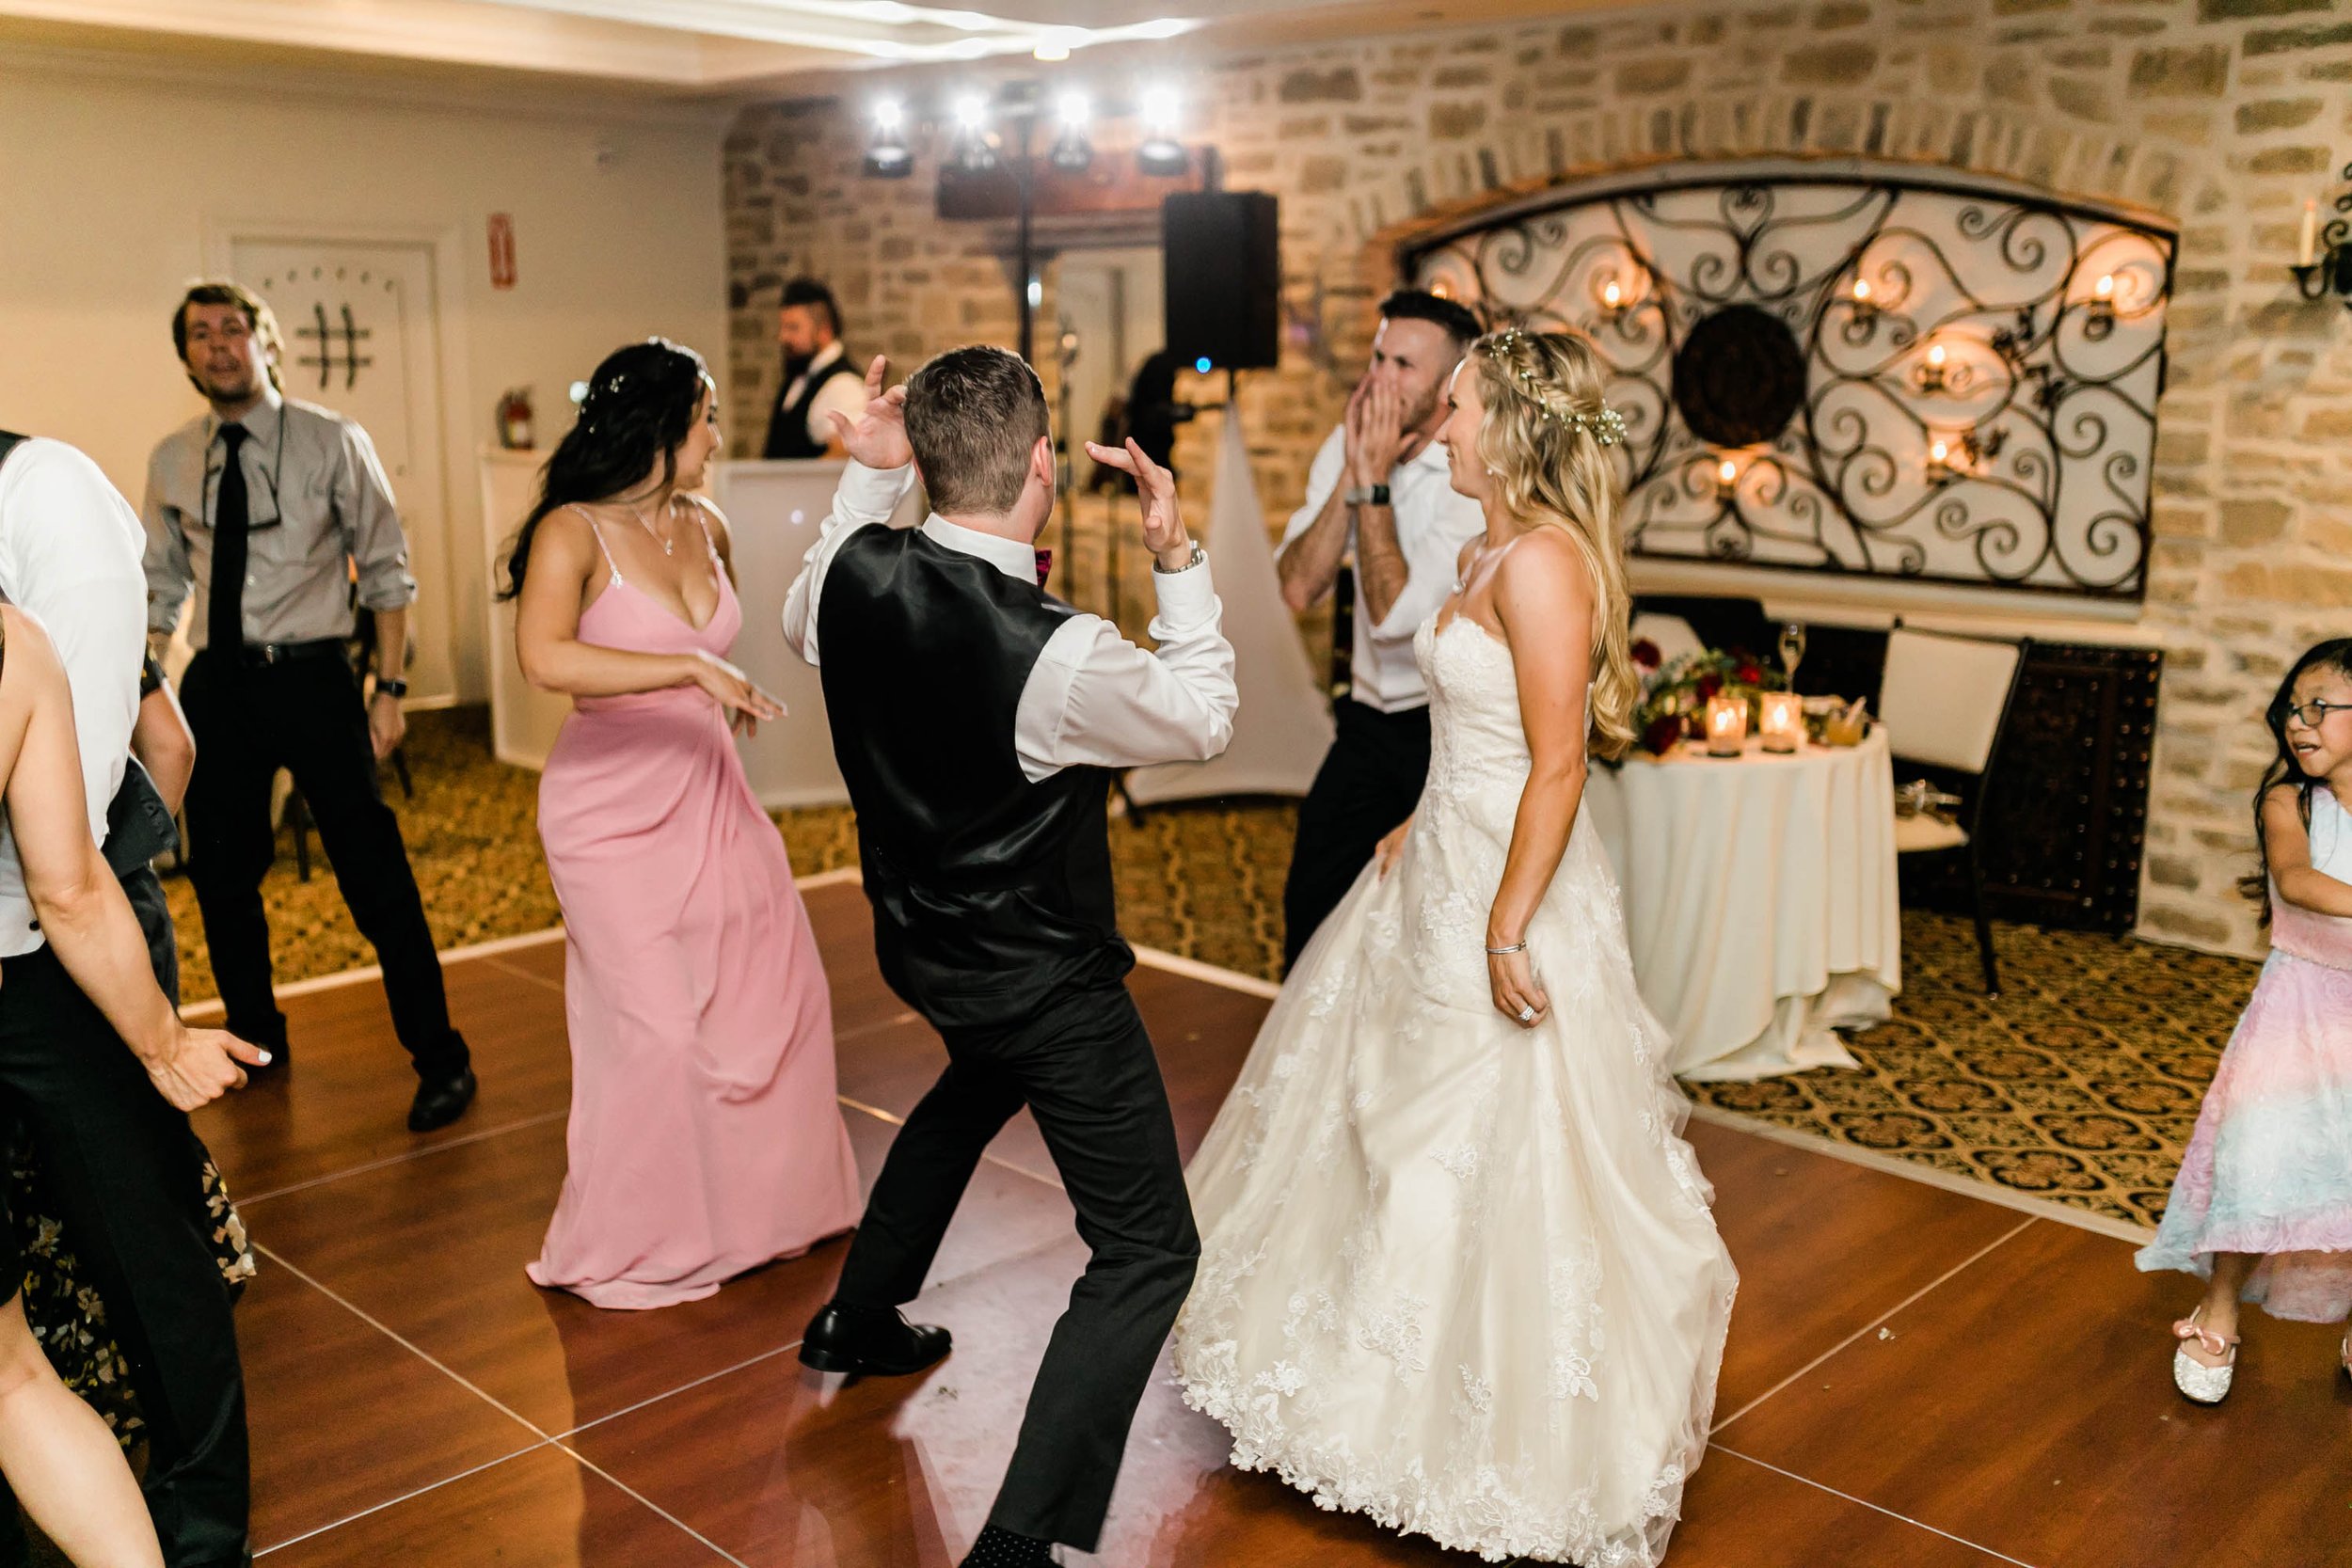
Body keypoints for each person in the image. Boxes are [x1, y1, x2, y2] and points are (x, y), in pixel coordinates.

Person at [1172, 328, 1738, 1566]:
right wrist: (1423, 820)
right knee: (1379, 1122)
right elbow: (1470, 731)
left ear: (1518, 427)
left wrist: (1504, 919)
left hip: (1512, 883)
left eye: (1464, 406)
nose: (1445, 424)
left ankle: (1481, 1423)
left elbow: (1560, 759)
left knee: (1490, 1138)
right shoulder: (1483, 545)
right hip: (1438, 858)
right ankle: (1365, 1390)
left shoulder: (1543, 563)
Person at [781, 348, 1236, 1568]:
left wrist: (871, 482)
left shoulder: (851, 573)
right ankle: (1017, 1541)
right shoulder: (1061, 650)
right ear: (1043, 460)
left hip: (921, 945)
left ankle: (857, 1316)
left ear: (927, 458)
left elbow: (807, 605)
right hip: (1041, 976)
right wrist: (1177, 555)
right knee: (1148, 1245)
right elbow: (1202, 718)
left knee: (970, 1080)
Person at [504, 338, 860, 1308]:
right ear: (659, 427)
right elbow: (545, 658)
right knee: (657, 1026)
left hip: (709, 787)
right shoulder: (569, 532)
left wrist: (722, 695)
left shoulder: (708, 524)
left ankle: (765, 1215)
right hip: (609, 811)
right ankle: (639, 1234)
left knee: (772, 998)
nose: (716, 435)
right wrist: (691, 670)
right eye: (705, 417)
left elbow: (720, 641)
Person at [0, 430, 260, 1567]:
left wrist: (153, 1039)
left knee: (140, 1239)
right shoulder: (10, 640)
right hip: (57, 923)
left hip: (54, 962)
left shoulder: (50, 499)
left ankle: (203, 1518)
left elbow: (89, 832)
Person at [140, 280, 477, 1133]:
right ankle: (256, 1036)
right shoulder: (173, 458)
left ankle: (442, 1059)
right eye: (201, 335)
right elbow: (160, 586)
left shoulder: (333, 439)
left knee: (374, 875)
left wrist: (392, 689)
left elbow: (389, 566)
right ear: (186, 357)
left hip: (318, 678)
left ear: (267, 341)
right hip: (220, 683)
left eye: (234, 329)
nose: (219, 346)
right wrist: (142, 684)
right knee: (221, 875)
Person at [2137, 639, 2352, 1403]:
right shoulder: (2288, 802)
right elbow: (2296, 881)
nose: (2300, 721)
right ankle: (2221, 1302)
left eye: (2321, 705)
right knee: (2257, 1160)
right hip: (2296, 1009)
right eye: (2292, 707)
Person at [1274, 289, 1487, 971]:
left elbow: (1398, 621)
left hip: (1448, 725)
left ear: (1450, 383)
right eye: (1378, 357)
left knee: (1435, 923)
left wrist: (1371, 484)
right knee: (1313, 897)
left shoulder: (1474, 468)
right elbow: (1298, 585)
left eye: (1404, 365)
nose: (1380, 379)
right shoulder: (1349, 443)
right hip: (1368, 721)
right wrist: (1353, 471)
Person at [760, 278, 864, 461]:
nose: (783, 337)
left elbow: (843, 453)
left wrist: (794, 489)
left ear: (824, 331)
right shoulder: (800, 376)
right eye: (783, 327)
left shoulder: (843, 385)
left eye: (793, 328)